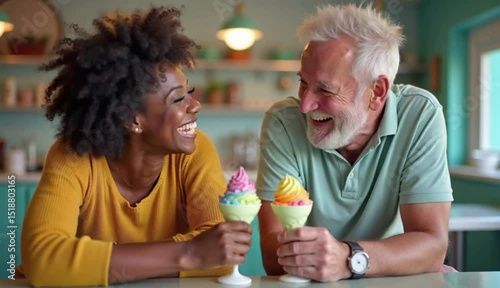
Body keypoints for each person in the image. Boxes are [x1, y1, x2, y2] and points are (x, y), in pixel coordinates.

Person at [19, 7, 252, 287]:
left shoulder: (196, 151)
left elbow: (224, 253)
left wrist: (81, 266)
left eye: (188, 92)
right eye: (178, 100)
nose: (195, 105)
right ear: (132, 119)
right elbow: (43, 259)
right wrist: (189, 253)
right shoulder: (74, 154)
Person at [256, 4, 454, 282]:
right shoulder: (283, 123)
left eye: (325, 89)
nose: (305, 105)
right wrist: (390, 258)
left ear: (377, 91)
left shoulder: (420, 113)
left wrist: (349, 259)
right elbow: (273, 256)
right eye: (303, 83)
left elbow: (432, 248)